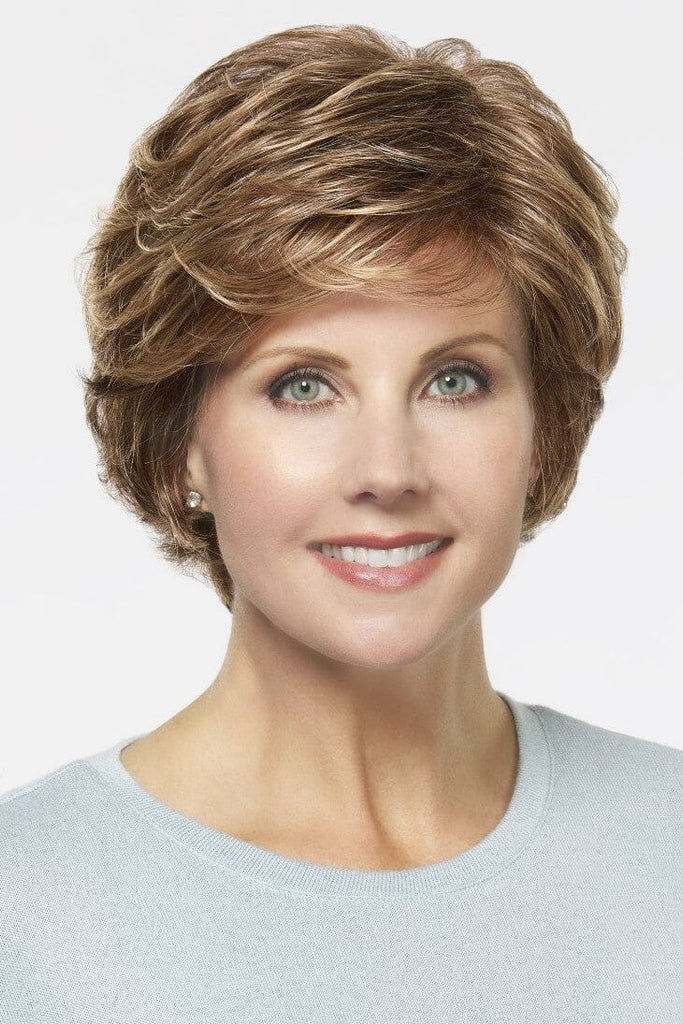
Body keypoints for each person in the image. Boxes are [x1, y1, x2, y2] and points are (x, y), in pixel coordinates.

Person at [1, 24, 680, 1021]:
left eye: (455, 380)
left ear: (543, 427)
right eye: (304, 386)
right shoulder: (25, 916)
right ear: (183, 443)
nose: (386, 472)